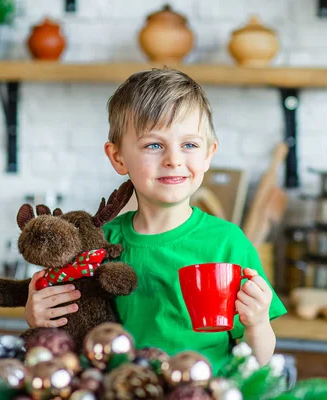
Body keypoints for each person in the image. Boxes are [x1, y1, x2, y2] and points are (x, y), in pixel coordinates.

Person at [23, 68, 287, 372]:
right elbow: (69, 330)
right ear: (118, 158)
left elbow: (259, 359)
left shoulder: (228, 243)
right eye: (153, 145)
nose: (173, 159)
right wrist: (37, 316)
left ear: (208, 155)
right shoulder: (96, 244)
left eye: (189, 145)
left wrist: (257, 324)